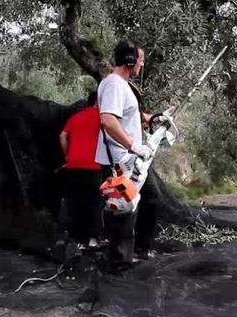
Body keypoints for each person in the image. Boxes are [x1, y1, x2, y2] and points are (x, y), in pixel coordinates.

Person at [95, 39, 161, 269]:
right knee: (123, 209)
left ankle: (142, 250)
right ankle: (119, 263)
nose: (141, 66)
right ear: (131, 60)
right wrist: (133, 145)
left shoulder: (120, 85)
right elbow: (108, 120)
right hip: (121, 161)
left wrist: (151, 118)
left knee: (151, 198)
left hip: (133, 161)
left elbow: (127, 112)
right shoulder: (114, 83)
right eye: (140, 61)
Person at [59, 91, 103, 249]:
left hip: (72, 166)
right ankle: (92, 239)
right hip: (93, 166)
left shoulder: (76, 117)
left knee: (73, 202)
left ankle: (71, 238)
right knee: (94, 203)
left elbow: (62, 135)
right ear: (98, 101)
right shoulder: (103, 118)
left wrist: (67, 156)